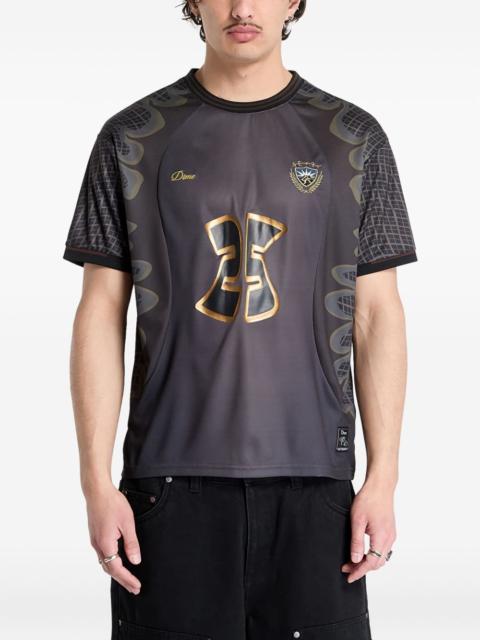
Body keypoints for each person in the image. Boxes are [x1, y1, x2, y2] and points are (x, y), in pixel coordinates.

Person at [62, 1, 417, 638]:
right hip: (167, 482)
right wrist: (95, 483)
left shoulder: (352, 137)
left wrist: (383, 477)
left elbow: (376, 315)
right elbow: (100, 312)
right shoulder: (133, 136)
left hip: (316, 480)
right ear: (194, 3)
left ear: (295, 2)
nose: (243, 8)